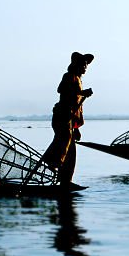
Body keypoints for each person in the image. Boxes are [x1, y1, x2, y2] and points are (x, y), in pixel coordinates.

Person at [43, 52, 94, 185]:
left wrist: (76, 128)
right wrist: (81, 92)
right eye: (83, 65)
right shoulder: (69, 76)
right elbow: (61, 89)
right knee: (63, 140)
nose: (85, 67)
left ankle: (65, 180)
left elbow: (77, 109)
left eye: (86, 65)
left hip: (71, 120)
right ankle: (52, 163)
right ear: (75, 65)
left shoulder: (78, 79)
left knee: (71, 152)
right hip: (62, 117)